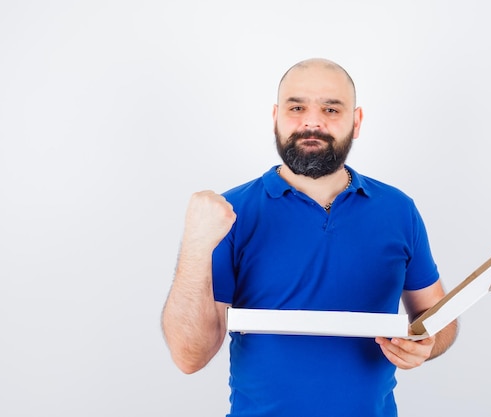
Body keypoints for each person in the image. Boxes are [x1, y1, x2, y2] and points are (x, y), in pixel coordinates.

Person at [161, 58, 458, 417]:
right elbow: (189, 356)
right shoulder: (231, 213)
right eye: (296, 107)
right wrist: (195, 245)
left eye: (331, 108)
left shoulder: (398, 210)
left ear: (356, 121)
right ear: (275, 117)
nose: (312, 121)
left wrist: (427, 343)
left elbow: (438, 316)